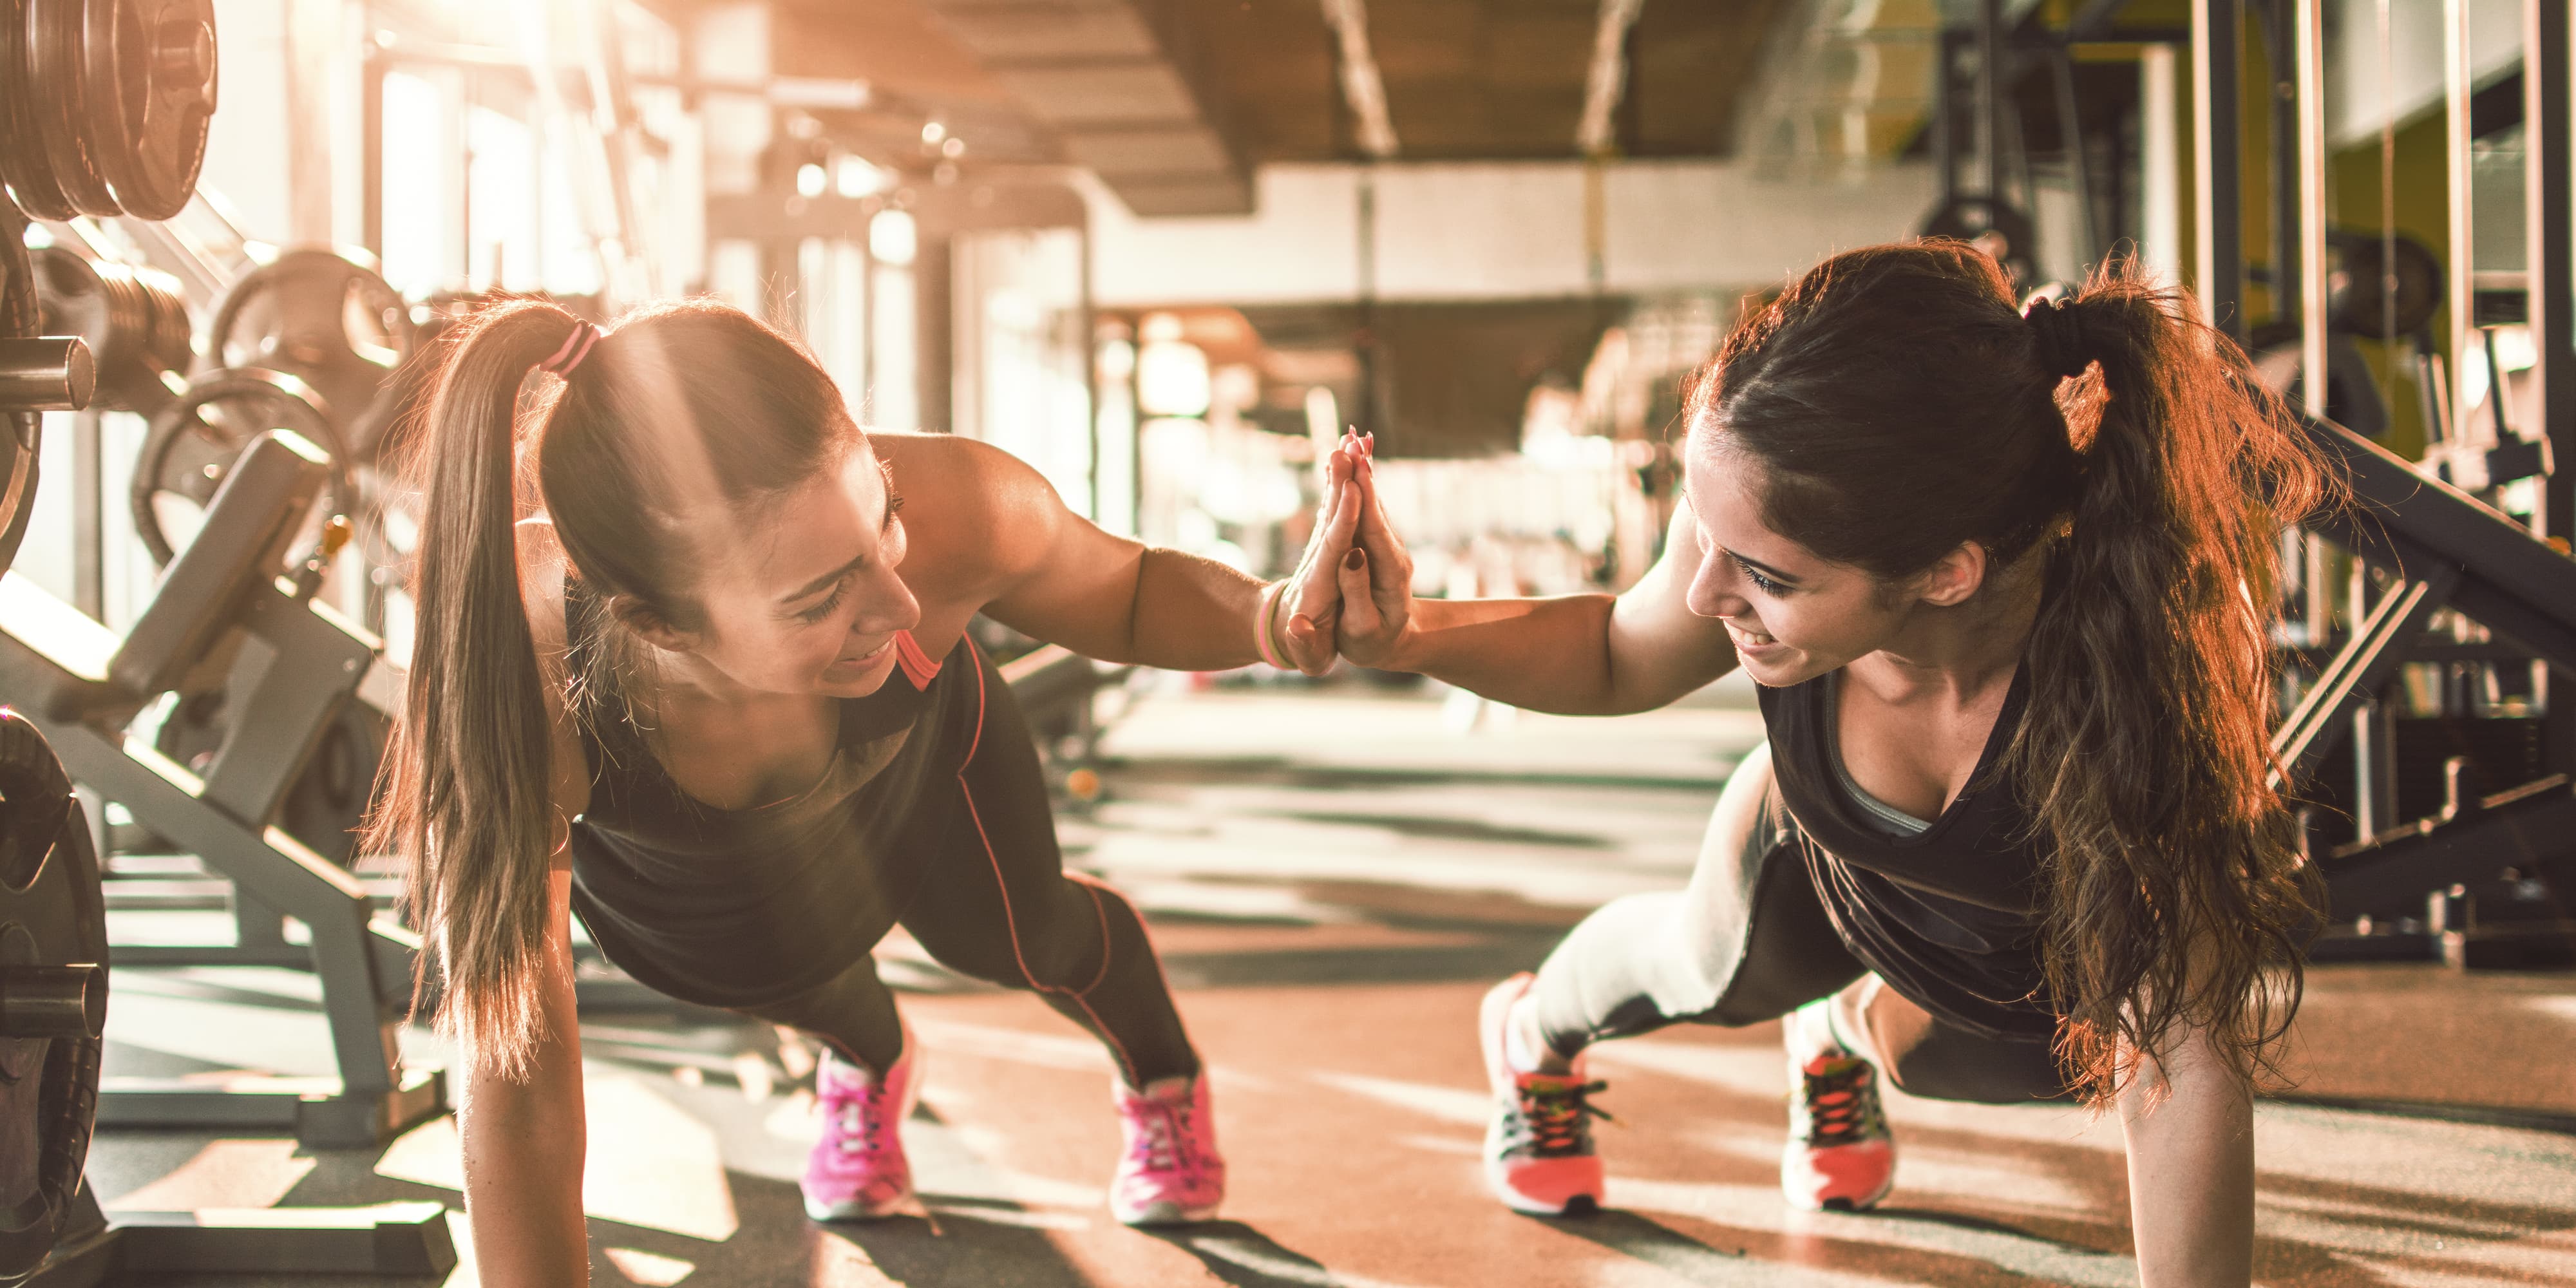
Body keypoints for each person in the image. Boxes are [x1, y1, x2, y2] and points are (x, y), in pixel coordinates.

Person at [1315, 243, 2327, 1287]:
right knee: (1699, 968)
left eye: (1762, 576)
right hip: (1815, 848)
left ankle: (1839, 1029)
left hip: (2016, 934)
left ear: (1946, 574)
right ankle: (1530, 1030)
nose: (1708, 596)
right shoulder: (1771, 503)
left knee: (2011, 1063)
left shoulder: (2140, 677)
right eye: (1704, 538)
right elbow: (1622, 648)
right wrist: (1410, 638)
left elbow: (2185, 1055)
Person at [368, 299, 1363, 1285]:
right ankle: (870, 1058)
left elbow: (1129, 590)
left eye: (881, 521)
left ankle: (1163, 1077)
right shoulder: (521, 655)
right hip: (686, 863)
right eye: (818, 597)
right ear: (660, 627)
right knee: (759, 971)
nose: (899, 603)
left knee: (1016, 940)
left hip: (921, 764)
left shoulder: (958, 504)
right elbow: (515, 1061)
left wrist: (1280, 619)